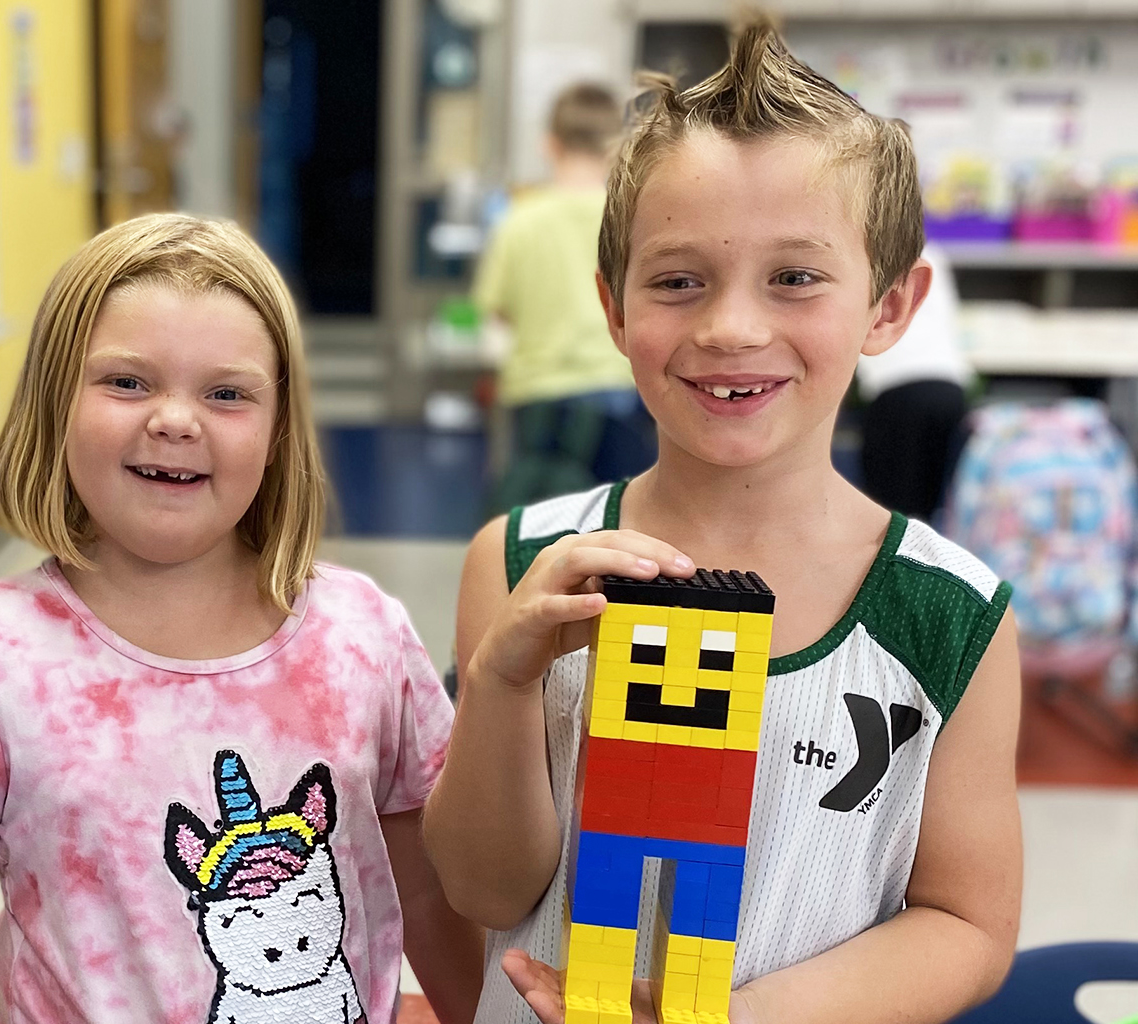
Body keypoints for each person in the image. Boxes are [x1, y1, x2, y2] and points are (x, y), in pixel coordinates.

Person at [426, 20, 1021, 1024]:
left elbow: (966, 922)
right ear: (614, 309)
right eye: (677, 280)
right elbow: (484, 890)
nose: (731, 327)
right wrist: (499, 678)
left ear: (889, 305)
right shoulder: (523, 562)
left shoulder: (952, 612)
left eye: (794, 277)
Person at [0, 213, 486, 1023]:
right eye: (128, 382)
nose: (176, 420)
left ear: (277, 428)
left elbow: (429, 897)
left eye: (226, 394)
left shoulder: (364, 635)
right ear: (56, 402)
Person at [474, 82, 653, 511]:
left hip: (536, 398)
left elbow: (495, 312)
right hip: (620, 392)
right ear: (619, 147)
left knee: (533, 528)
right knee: (622, 528)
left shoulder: (518, 221)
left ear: (549, 145)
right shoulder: (634, 217)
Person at [855, 240, 974, 522]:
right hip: (949, 385)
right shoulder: (932, 255)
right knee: (933, 505)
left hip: (896, 388)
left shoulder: (863, 256)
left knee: (885, 510)